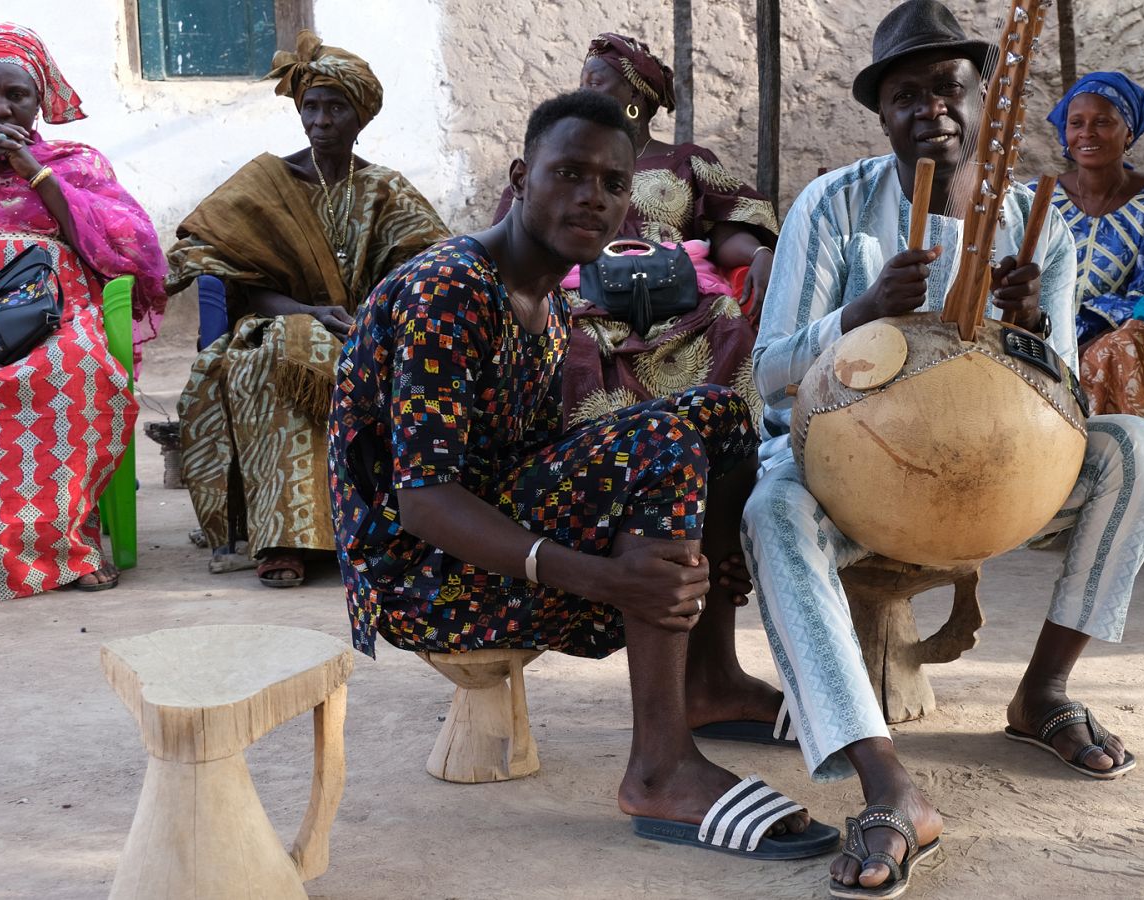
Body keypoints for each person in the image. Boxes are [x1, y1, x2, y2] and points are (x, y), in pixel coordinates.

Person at [329, 91, 836, 859]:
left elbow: (547, 462)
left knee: (718, 415)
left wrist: (709, 547)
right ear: (520, 177)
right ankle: (660, 769)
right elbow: (424, 500)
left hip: (489, 535)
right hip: (421, 578)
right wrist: (605, 581)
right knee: (661, 441)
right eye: (568, 172)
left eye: (613, 182)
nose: (592, 196)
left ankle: (708, 679)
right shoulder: (452, 289)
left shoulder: (551, 307)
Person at [743, 3, 1144, 897]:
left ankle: (1043, 693)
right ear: (881, 111)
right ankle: (887, 784)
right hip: (853, 482)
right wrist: (858, 314)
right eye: (905, 94)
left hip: (998, 476)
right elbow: (766, 374)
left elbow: (1064, 396)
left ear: (981, 96)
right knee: (770, 508)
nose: (928, 107)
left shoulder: (1035, 220)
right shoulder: (835, 204)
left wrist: (1028, 327)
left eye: (947, 87)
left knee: (1135, 449)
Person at [167, 31, 448, 589]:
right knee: (282, 351)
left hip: (368, 330)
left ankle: (365, 530)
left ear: (360, 116)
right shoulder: (264, 183)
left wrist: (371, 320)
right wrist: (307, 310)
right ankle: (283, 538)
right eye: (310, 106)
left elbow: (429, 268)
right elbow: (225, 274)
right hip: (274, 324)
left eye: (335, 107)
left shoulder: (385, 191)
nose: (320, 120)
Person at [0, 23, 166, 607]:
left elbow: (121, 251)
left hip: (50, 310)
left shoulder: (75, 162)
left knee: (74, 368)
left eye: (15, 96)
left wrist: (36, 172)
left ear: (39, 99)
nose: (0, 109)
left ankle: (67, 545)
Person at [493, 32, 778, 428]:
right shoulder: (556, 165)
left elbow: (724, 228)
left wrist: (759, 254)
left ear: (636, 97)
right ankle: (594, 465)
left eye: (595, 83)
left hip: (679, 297)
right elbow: (515, 234)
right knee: (570, 341)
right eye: (581, 83)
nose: (583, 92)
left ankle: (730, 457)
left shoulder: (686, 161)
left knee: (726, 320)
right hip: (581, 298)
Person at [1035, 72, 1144, 423]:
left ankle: (1123, 467)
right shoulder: (1039, 197)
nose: (1087, 133)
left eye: (1103, 122)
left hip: (1113, 333)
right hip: (1041, 328)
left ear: (1128, 131)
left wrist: (1082, 341)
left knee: (1120, 349)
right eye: (1076, 123)